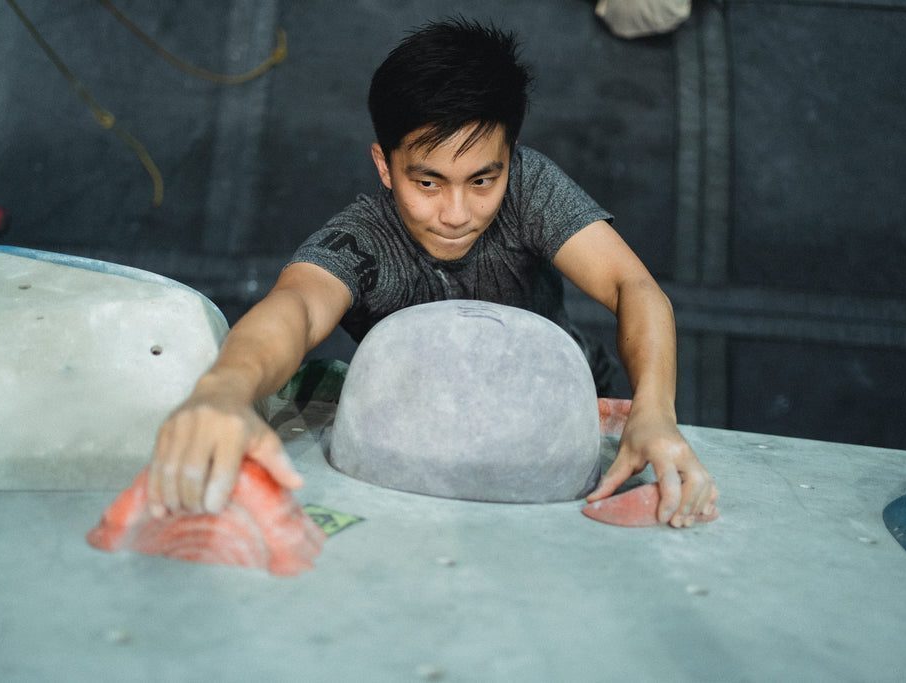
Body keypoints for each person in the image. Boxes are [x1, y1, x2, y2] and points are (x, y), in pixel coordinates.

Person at [147, 17, 718, 528]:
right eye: (427, 183)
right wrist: (222, 391)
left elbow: (633, 285)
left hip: (562, 417)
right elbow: (293, 308)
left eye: (481, 180)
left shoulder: (531, 186)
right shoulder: (360, 240)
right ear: (385, 165)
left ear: (510, 156)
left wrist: (655, 411)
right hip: (417, 436)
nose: (455, 214)